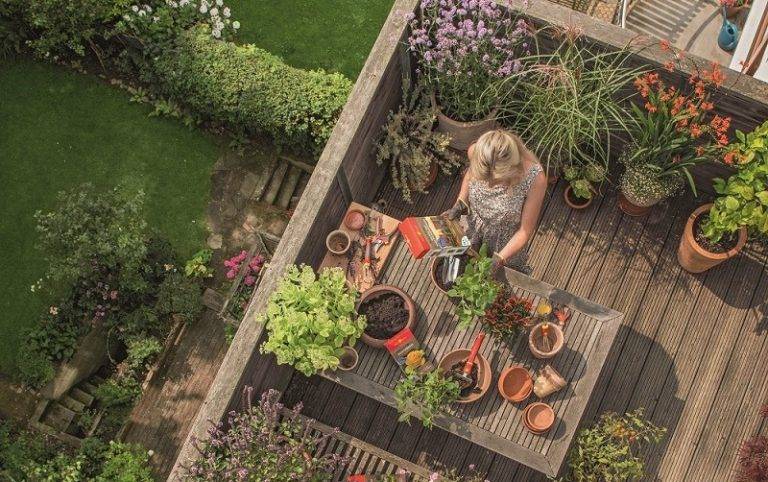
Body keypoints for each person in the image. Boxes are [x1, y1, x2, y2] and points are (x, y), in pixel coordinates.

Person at [443, 129, 547, 274]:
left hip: (505, 241)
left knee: (498, 278)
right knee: (464, 259)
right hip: (474, 224)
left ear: (512, 170)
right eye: (484, 179)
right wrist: (461, 202)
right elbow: (469, 176)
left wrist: (499, 259)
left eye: (496, 181)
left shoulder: (535, 179)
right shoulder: (476, 151)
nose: (489, 185)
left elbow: (525, 231)